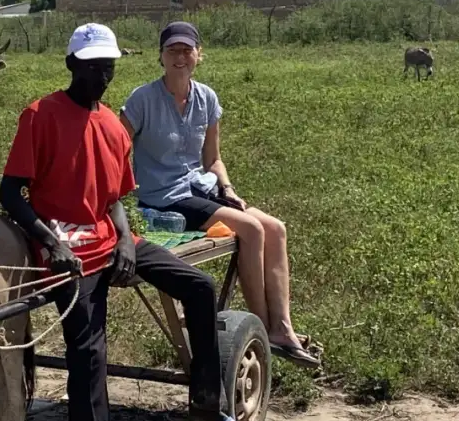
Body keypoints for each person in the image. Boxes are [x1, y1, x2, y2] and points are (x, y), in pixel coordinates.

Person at [0, 22, 265, 421]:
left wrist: (125, 241)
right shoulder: (40, 115)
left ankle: (207, 413)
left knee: (200, 288)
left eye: (108, 67)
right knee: (90, 360)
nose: (101, 75)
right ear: (72, 65)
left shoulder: (114, 128)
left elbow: (115, 198)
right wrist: (49, 241)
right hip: (67, 255)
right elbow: (12, 193)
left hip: (110, 239)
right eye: (92, 66)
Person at [121, 21, 319, 368]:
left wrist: (227, 188)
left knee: (275, 227)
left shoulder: (207, 98)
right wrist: (121, 193)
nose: (180, 57)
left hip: (200, 187)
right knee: (252, 229)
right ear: (161, 57)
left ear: (199, 55)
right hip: (163, 198)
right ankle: (260, 330)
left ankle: (283, 325)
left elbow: (212, 159)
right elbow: (116, 147)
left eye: (187, 50)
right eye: (173, 51)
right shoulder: (142, 99)